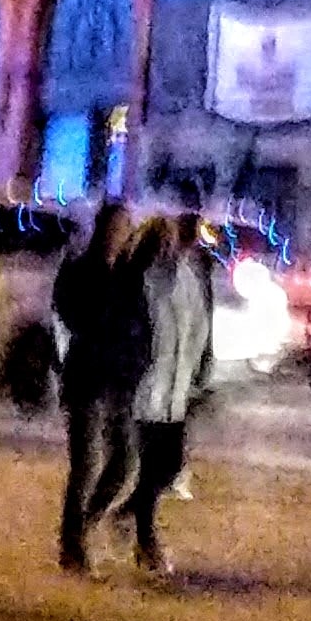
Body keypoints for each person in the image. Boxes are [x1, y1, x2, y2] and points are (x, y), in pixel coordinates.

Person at [52, 199, 146, 575]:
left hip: (120, 378)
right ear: (103, 228)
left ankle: (83, 526)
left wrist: (139, 357)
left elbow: (141, 320)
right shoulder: (81, 269)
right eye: (118, 227)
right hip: (87, 377)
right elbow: (70, 312)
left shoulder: (128, 273)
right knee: (86, 463)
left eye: (127, 229)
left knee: (125, 461)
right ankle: (72, 545)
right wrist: (104, 324)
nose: (122, 235)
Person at [121, 215, 213, 580]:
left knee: (170, 466)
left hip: (175, 390)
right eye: (161, 241)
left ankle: (127, 513)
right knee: (150, 468)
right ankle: (146, 541)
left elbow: (198, 325)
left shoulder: (185, 277)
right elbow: (136, 329)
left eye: (170, 240)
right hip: (146, 390)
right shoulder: (140, 279)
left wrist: (198, 368)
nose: (168, 247)